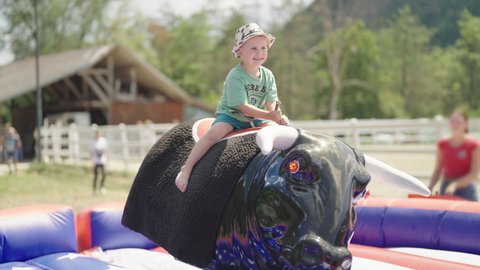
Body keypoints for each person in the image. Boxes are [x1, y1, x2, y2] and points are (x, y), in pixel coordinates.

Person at [175, 23, 289, 192]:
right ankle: (187, 168)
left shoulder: (268, 75)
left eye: (263, 48)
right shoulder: (235, 76)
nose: (260, 53)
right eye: (253, 49)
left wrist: (276, 115)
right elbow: (242, 106)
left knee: (280, 132)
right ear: (240, 52)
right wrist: (269, 115)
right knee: (213, 134)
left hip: (257, 117)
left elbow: (271, 101)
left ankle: (285, 171)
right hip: (232, 115)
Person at [428, 109, 479, 201]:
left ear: (466, 124)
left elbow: (474, 174)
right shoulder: (442, 144)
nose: (455, 124)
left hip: (466, 189)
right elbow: (438, 169)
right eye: (452, 121)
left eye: (458, 121)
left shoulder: (474, 145)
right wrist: (430, 187)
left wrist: (454, 185)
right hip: (446, 187)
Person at [91, 129, 108, 195]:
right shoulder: (93, 142)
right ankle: (94, 189)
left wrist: (107, 159)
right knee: (96, 175)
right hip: (96, 161)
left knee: (104, 174)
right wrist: (92, 161)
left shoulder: (103, 141)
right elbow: (91, 152)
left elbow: (106, 150)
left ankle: (102, 187)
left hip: (102, 160)